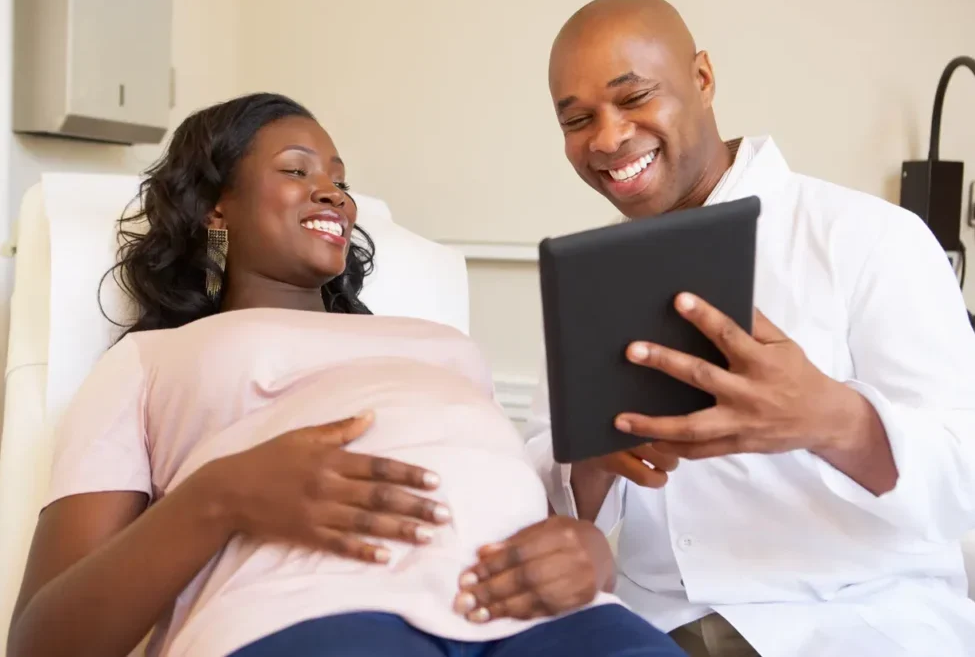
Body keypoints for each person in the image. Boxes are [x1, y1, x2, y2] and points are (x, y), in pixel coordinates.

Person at [7, 93, 687, 657]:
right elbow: (43, 643)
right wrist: (219, 497)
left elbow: (506, 502)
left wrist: (587, 553)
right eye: (297, 171)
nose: (331, 192)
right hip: (314, 618)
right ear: (217, 206)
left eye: (338, 178)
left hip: (545, 621)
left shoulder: (440, 344)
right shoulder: (148, 362)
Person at [526, 0, 975, 657]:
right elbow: (545, 497)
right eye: (578, 118)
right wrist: (588, 462)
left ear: (701, 79)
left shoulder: (869, 238)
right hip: (652, 629)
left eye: (634, 98)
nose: (608, 137)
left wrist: (833, 419)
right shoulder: (585, 281)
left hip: (856, 622)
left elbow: (962, 475)